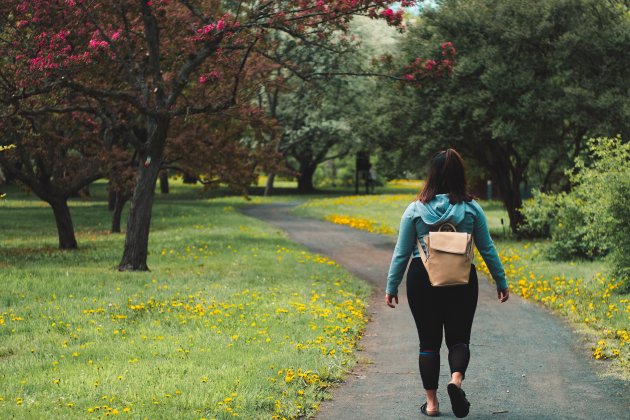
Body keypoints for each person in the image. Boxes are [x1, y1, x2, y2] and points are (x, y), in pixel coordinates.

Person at [385, 149, 509, 418]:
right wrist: (501, 281)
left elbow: (402, 252)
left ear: (431, 176)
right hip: (462, 278)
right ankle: (455, 381)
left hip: (422, 277)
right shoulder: (471, 208)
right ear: (459, 176)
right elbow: (487, 248)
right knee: (459, 339)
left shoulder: (415, 209)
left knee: (428, 343)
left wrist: (391, 286)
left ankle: (431, 404)